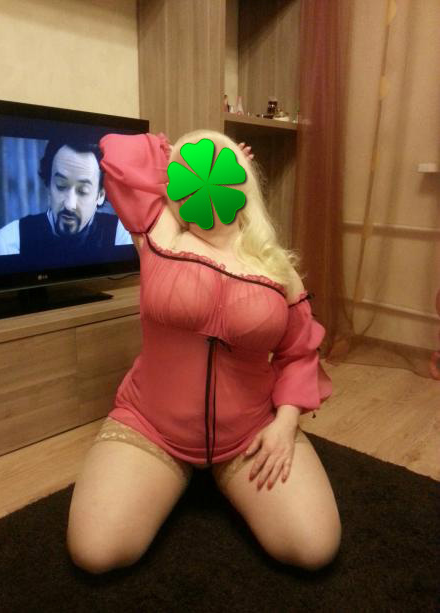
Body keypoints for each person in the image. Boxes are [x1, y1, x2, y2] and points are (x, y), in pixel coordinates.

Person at [66, 130, 342, 574]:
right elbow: (118, 153)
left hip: (250, 432)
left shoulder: (275, 266)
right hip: (151, 426)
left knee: (313, 548)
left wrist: (285, 423)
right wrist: (182, 155)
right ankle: (175, 475)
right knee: (96, 553)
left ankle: (218, 475)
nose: (209, 171)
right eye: (198, 167)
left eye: (221, 166)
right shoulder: (158, 231)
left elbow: (298, 352)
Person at [0, 138, 133, 260]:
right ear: (48, 185)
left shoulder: (120, 234)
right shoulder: (10, 239)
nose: (69, 204)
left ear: (100, 195)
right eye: (61, 186)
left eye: (83, 191)